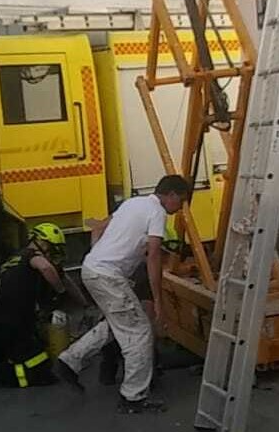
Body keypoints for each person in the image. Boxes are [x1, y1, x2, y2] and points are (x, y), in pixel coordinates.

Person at [52, 174, 191, 414]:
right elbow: (154, 256)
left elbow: (99, 226)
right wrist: (158, 301)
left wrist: (99, 253)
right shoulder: (156, 212)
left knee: (117, 324)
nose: (180, 208)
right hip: (108, 276)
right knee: (139, 331)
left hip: (92, 269)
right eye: (181, 201)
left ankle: (69, 362)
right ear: (171, 195)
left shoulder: (133, 202)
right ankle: (133, 397)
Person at [0, 222, 69, 392]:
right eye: (52, 248)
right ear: (42, 242)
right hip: (18, 318)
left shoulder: (13, 259)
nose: (52, 253)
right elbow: (46, 268)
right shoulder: (33, 255)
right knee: (43, 367)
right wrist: (61, 291)